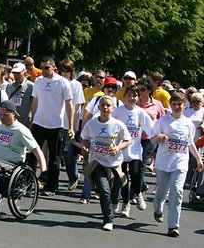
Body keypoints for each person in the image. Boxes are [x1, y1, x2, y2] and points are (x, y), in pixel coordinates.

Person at [0, 100, 47, 210]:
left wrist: (44, 171)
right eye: (0, 115)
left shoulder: (21, 130)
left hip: (12, 164)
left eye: (6, 115)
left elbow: (37, 150)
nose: (2, 118)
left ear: (14, 114)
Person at [150, 92, 204, 237]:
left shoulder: (188, 123)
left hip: (180, 163)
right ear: (170, 105)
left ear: (184, 105)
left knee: (177, 191)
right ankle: (158, 207)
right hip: (163, 162)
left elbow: (190, 143)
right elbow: (152, 140)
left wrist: (198, 158)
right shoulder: (163, 121)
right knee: (162, 192)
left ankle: (173, 226)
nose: (176, 107)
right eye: (173, 104)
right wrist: (159, 137)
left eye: (179, 104)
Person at [81, 96, 132, 231]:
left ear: (113, 108)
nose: (105, 108)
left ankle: (115, 202)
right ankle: (108, 220)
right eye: (102, 105)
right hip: (97, 162)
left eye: (108, 105)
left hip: (114, 164)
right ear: (98, 107)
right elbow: (84, 138)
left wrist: (118, 148)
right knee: (104, 191)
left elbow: (128, 140)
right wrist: (84, 147)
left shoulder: (118, 125)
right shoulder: (91, 124)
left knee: (115, 192)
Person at [27, 56, 73, 196]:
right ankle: (29, 184)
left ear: (54, 68)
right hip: (39, 124)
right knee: (32, 155)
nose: (44, 70)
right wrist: (33, 119)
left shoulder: (63, 82)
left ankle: (51, 187)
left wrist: (70, 126)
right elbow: (35, 101)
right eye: (42, 67)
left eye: (47, 67)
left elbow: (69, 105)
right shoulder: (39, 81)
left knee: (54, 159)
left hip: (55, 126)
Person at [111, 85, 153, 217]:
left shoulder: (141, 113)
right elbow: (110, 126)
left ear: (138, 97)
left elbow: (151, 131)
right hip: (120, 150)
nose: (131, 98)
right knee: (122, 178)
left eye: (134, 95)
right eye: (128, 95)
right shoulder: (118, 112)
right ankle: (125, 203)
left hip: (135, 150)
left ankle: (138, 193)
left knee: (135, 174)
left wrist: (160, 138)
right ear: (124, 97)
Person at [58, 59, 85, 190]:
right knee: (57, 153)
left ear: (71, 72)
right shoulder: (57, 83)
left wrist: (73, 127)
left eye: (67, 71)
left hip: (70, 124)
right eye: (62, 71)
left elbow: (78, 107)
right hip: (56, 123)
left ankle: (73, 177)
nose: (64, 73)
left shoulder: (76, 85)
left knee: (68, 152)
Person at [5, 62, 33, 127]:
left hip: (24, 121)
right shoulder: (9, 86)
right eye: (14, 73)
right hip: (11, 121)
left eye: (18, 73)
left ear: (24, 72)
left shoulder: (31, 86)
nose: (16, 75)